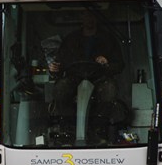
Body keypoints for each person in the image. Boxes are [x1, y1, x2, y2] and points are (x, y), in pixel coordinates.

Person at [48, 12, 125, 143]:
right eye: (86, 16)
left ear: (96, 19)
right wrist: (54, 68)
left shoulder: (107, 39)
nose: (90, 19)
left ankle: (99, 128)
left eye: (92, 16)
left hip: (100, 78)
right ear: (81, 19)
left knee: (109, 88)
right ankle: (68, 128)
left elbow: (119, 65)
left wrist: (107, 64)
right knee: (61, 88)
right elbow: (60, 63)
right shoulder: (71, 39)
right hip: (74, 78)